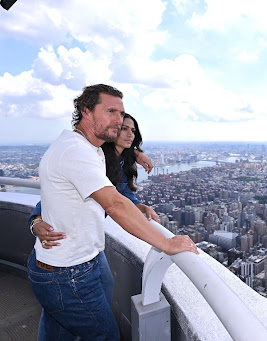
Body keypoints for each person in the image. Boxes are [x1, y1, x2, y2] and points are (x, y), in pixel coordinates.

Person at [27, 84, 198, 340]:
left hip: (85, 259)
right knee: (105, 335)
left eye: (121, 113)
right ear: (86, 111)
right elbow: (115, 204)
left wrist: (135, 153)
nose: (118, 120)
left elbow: (72, 190)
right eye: (110, 112)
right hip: (68, 272)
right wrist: (166, 243)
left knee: (56, 328)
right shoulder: (76, 152)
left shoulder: (90, 148)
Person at [29, 113, 159, 249]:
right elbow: (54, 194)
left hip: (88, 241)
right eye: (124, 128)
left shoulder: (121, 163)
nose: (130, 134)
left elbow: (126, 196)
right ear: (113, 130)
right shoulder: (93, 160)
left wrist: (144, 208)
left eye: (133, 131)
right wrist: (36, 221)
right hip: (64, 241)